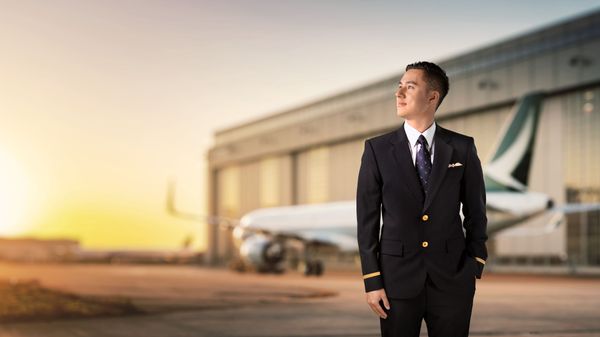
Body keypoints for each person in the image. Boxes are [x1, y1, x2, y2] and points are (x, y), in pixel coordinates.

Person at [356, 61, 488, 337]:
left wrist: (475, 263)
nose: (399, 93)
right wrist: (372, 280)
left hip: (453, 281)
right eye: (399, 86)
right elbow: (366, 222)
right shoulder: (376, 150)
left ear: (432, 97)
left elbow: (476, 210)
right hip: (395, 282)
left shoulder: (462, 148)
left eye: (409, 86)